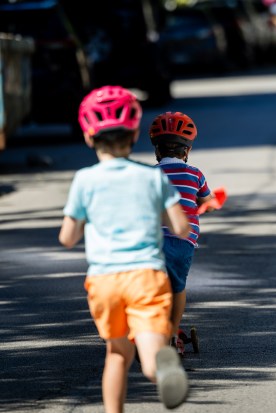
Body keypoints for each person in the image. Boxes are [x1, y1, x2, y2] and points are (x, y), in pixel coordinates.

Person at [59, 86, 190, 412]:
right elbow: (181, 227)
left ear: (89, 138)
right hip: (145, 275)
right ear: (134, 134)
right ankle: (159, 368)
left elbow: (67, 237)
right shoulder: (151, 177)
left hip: (104, 280)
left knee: (116, 353)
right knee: (148, 344)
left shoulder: (84, 180)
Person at [148, 111, 214, 356]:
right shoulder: (195, 174)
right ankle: (173, 335)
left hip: (152, 243)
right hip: (182, 242)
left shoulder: (148, 175)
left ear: (157, 151)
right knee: (177, 288)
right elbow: (207, 202)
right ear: (187, 151)